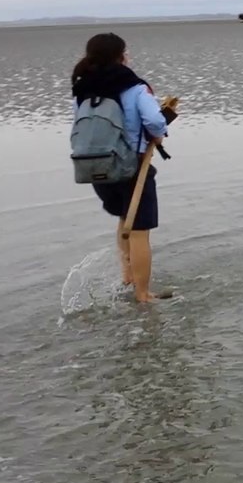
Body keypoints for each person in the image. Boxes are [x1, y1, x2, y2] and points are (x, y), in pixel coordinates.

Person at [71, 33, 170, 303]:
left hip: (96, 167)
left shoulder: (82, 89)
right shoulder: (135, 88)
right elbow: (154, 120)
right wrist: (159, 134)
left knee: (123, 220)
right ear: (120, 56)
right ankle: (142, 294)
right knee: (139, 230)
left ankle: (127, 275)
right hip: (132, 168)